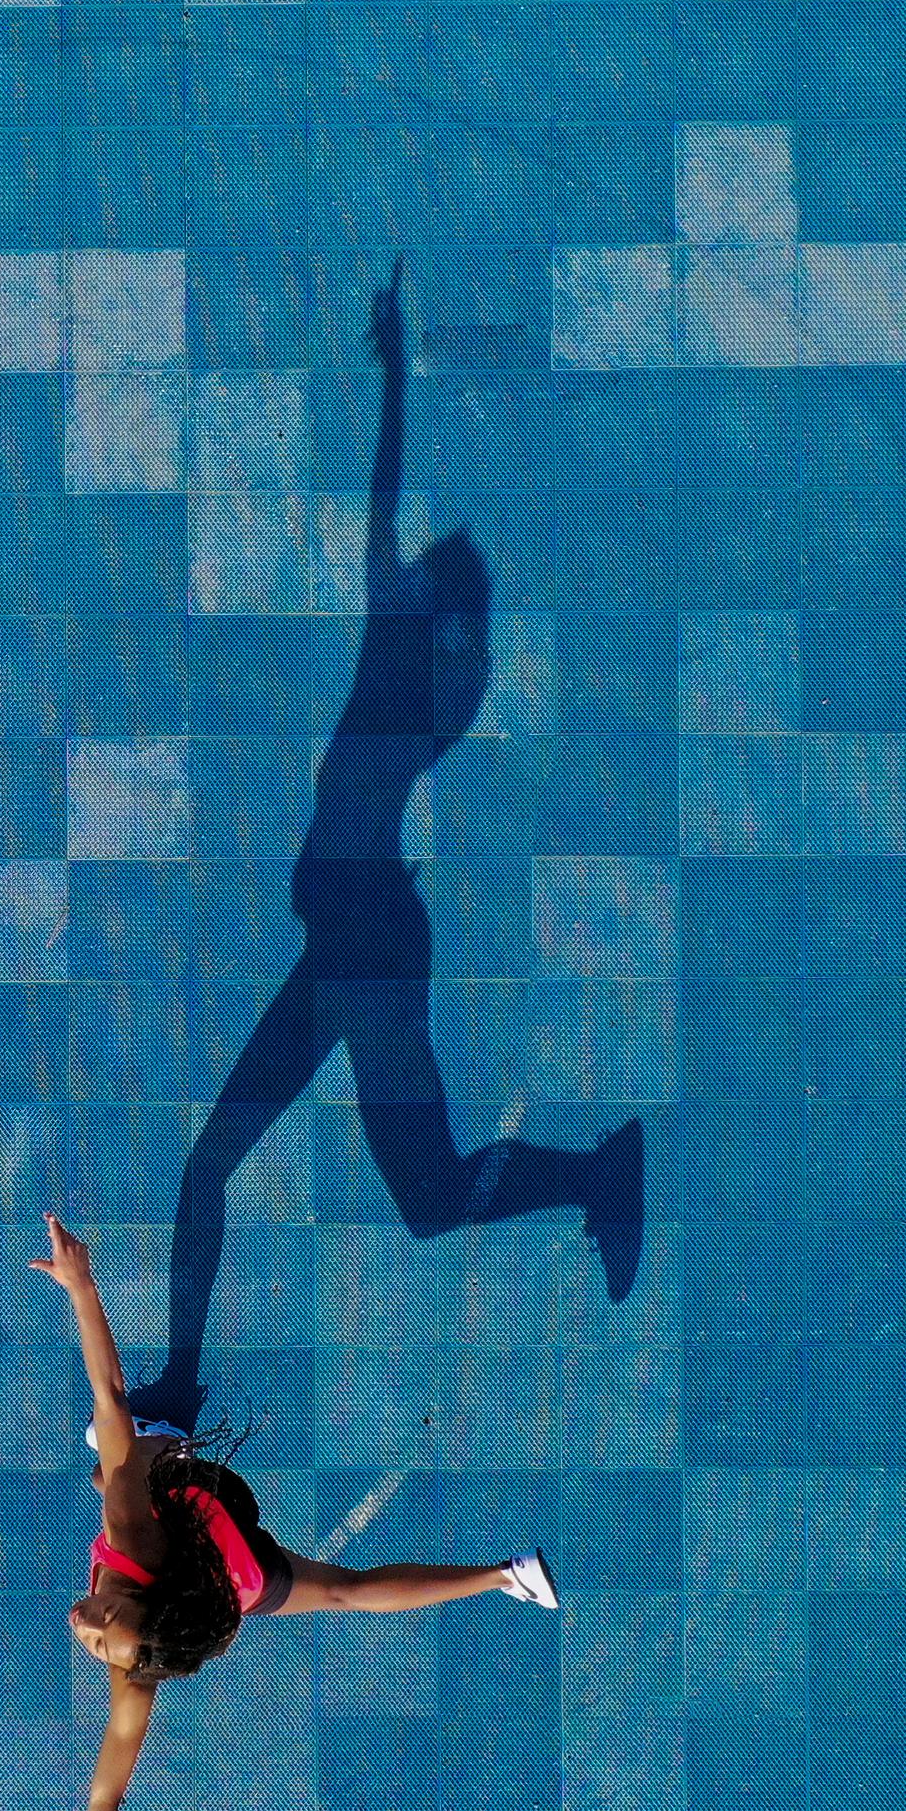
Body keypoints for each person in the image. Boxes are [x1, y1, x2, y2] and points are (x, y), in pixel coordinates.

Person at [129, 261, 644, 1437]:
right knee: (293, 1175)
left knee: (377, 1184)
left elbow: (383, 513)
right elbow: (384, 515)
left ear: (437, 611)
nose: (401, 568)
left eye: (425, 579)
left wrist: (399, 378)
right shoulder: (424, 677)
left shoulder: (410, 676)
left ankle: (596, 1173)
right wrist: (397, 375)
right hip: (354, 947)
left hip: (366, 949)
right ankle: (181, 1378)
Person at [29, 1211, 559, 1811]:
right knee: (120, 1460)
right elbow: (108, 1395)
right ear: (144, 1622)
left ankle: (506, 1577)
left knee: (326, 1582)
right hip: (224, 1559)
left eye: (99, 1626)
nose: (86, 1622)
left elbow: (106, 1799)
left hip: (231, 1564)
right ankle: (504, 1575)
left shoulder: (142, 1619)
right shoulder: (141, 1593)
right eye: (106, 1627)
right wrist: (82, 1287)